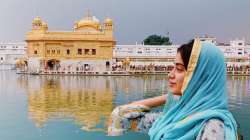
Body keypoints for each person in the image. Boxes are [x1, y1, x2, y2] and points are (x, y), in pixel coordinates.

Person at [108, 38, 239, 140]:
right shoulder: (174, 117)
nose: (170, 74)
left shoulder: (212, 127)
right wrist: (168, 97)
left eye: (179, 69)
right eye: (173, 67)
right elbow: (121, 115)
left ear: (200, 78)